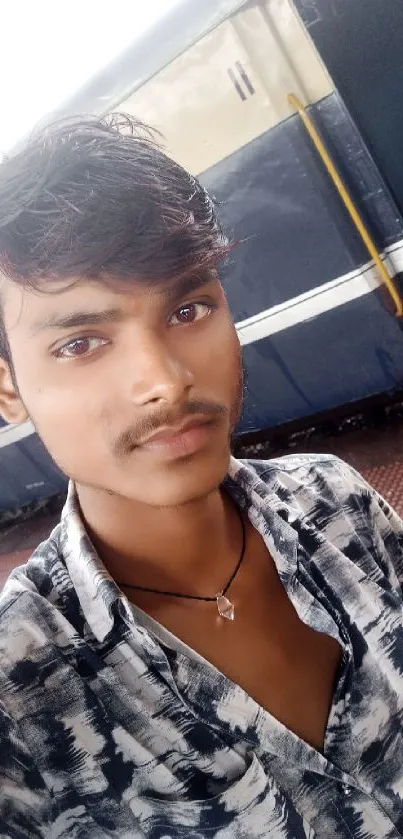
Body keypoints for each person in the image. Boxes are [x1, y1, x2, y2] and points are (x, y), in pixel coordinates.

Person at [0, 114, 401, 839]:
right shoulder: (19, 695)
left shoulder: (336, 503)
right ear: (7, 389)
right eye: (81, 342)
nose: (163, 380)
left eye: (188, 307)